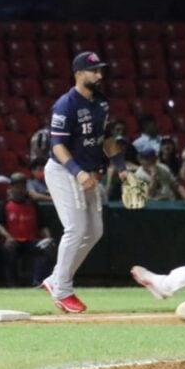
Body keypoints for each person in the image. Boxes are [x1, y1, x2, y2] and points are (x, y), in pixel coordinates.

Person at [41, 51, 130, 314]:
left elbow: (107, 139)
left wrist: (122, 168)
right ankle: (62, 289)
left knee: (95, 232)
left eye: (100, 70)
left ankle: (55, 278)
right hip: (64, 171)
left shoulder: (101, 102)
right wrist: (78, 172)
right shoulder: (65, 104)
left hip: (89, 172)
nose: (99, 75)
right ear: (78, 73)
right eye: (93, 71)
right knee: (75, 229)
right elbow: (57, 146)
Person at [0, 173, 54, 287]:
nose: (20, 190)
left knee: (47, 248)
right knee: (9, 249)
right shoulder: (4, 205)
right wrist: (8, 237)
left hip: (31, 241)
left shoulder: (33, 204)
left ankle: (38, 281)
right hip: (13, 240)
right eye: (17, 187)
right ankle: (12, 284)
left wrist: (48, 238)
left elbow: (42, 225)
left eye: (22, 186)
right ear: (11, 188)